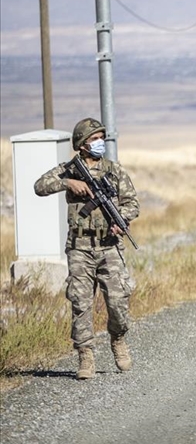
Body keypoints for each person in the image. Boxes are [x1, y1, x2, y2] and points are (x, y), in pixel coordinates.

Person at [34, 117, 140, 380]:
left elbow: (132, 203)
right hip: (79, 247)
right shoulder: (69, 170)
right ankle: (85, 355)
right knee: (80, 303)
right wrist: (67, 183)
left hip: (109, 246)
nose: (100, 142)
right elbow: (39, 186)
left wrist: (121, 220)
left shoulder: (114, 171)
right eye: (94, 139)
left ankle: (118, 338)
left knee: (118, 301)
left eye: (102, 137)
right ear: (82, 144)